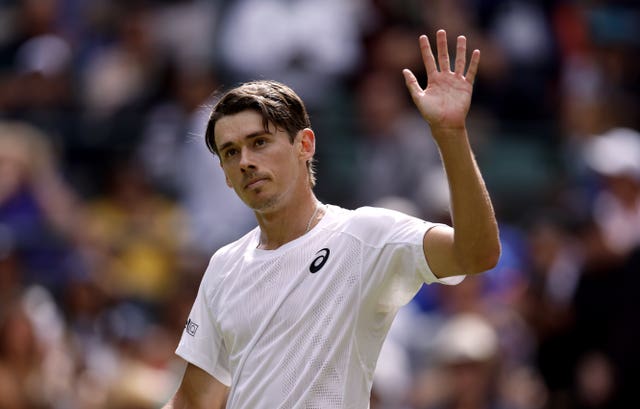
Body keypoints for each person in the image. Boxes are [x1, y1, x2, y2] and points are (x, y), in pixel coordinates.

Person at [162, 29, 500, 408]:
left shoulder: (365, 235)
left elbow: (476, 254)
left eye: (259, 142)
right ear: (224, 173)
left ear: (304, 145)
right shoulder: (224, 266)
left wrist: (450, 134)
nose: (245, 162)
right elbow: (193, 401)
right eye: (230, 152)